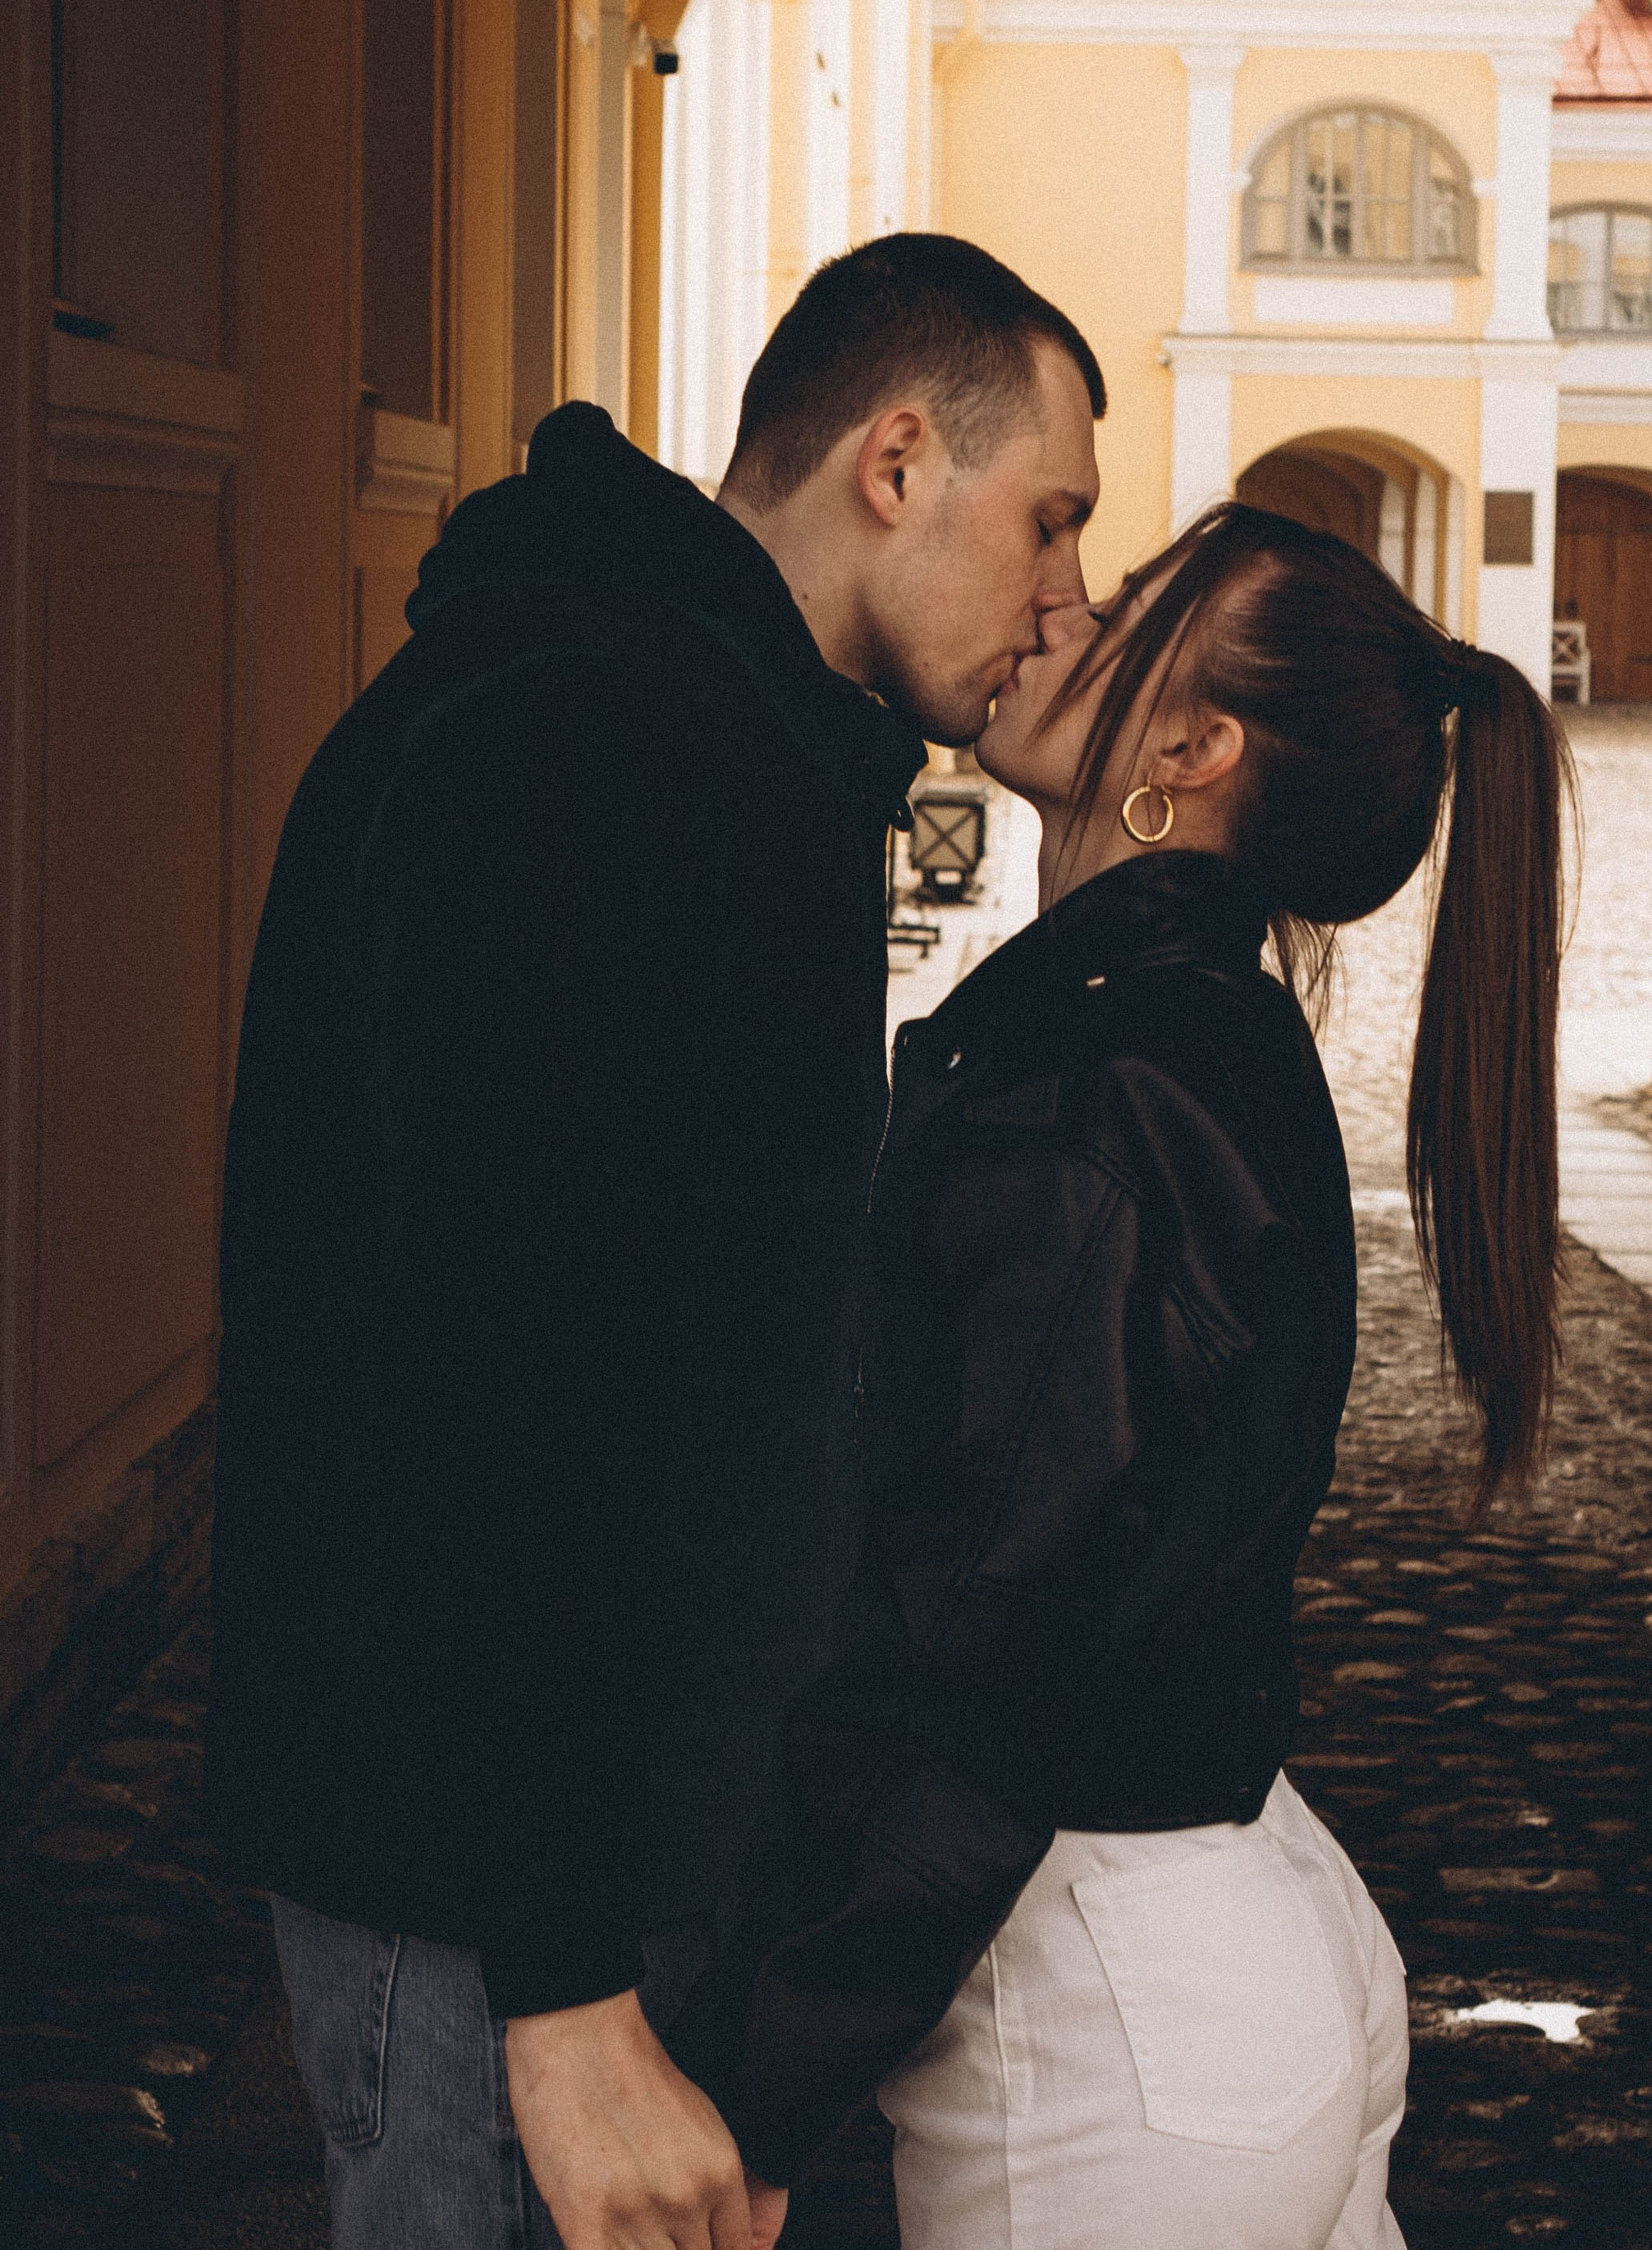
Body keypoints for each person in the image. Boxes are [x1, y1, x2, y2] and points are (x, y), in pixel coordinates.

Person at [206, 234, 1105, 2250]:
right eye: (1045, 522)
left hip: (585, 1863)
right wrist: (566, 1991)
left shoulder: (709, 735)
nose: (1067, 600)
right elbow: (485, 1394)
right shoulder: (595, 750)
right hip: (491, 1899)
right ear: (893, 463)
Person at [672, 498, 1572, 2250]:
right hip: (1227, 1949)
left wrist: (747, 2084)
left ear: (1192, 743)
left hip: (1117, 2025)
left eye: (1132, 596)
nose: (1064, 605)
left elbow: (986, 1632)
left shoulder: (1100, 1081)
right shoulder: (1181, 1041)